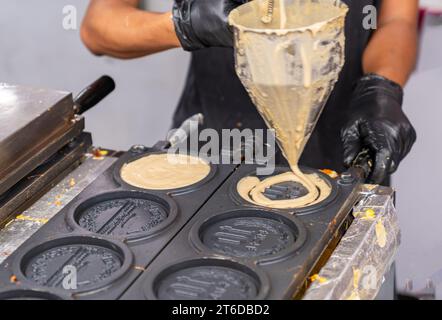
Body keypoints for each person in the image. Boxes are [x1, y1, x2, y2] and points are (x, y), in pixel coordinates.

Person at [81, 0, 417, 184]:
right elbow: (100, 25)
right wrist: (187, 24)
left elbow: (396, 20)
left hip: (342, 146)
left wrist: (381, 88)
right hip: (216, 150)